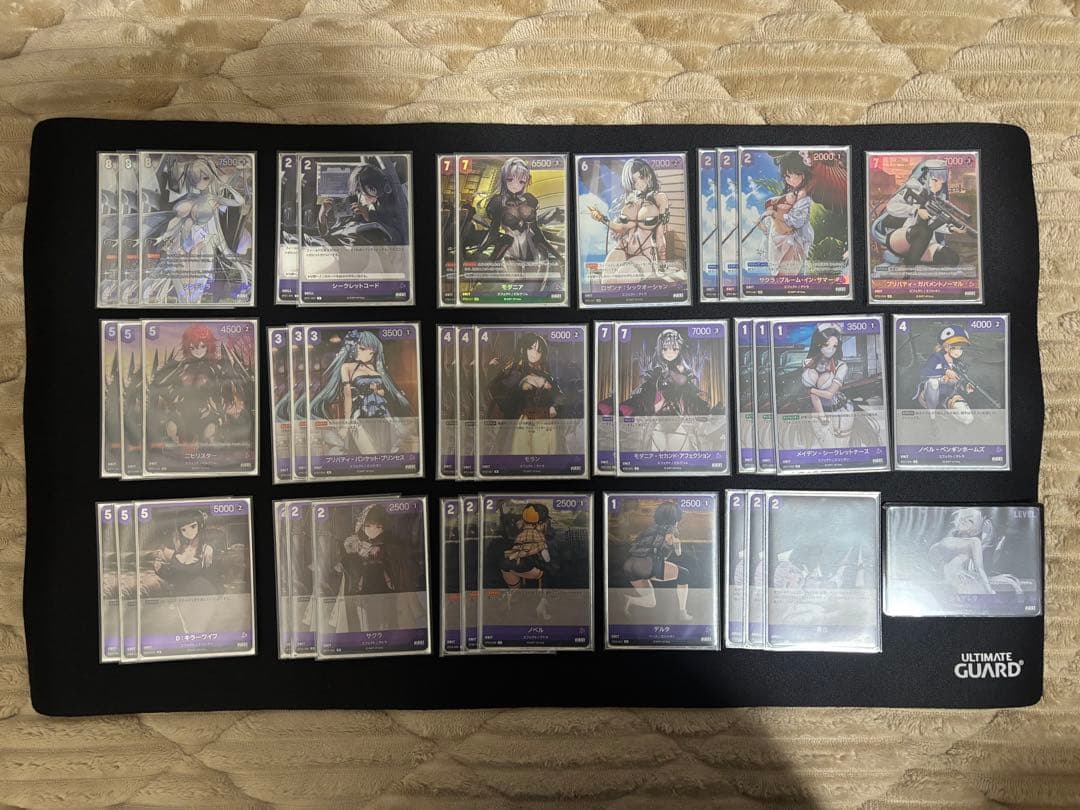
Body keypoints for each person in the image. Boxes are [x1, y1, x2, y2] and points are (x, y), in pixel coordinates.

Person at [142, 156, 251, 304]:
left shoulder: (212, 199)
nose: (199, 182)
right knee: (182, 283)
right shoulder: (188, 199)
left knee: (197, 284)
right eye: (194, 178)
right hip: (185, 242)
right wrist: (164, 237)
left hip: (202, 242)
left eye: (204, 178)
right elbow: (176, 222)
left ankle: (193, 303)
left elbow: (239, 202)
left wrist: (228, 187)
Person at [308, 330, 412, 456]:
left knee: (384, 453)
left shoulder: (374, 367)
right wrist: (346, 425)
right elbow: (348, 396)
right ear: (354, 348)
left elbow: (382, 392)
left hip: (382, 414)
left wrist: (376, 390)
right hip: (359, 415)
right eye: (363, 348)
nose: (369, 353)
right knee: (370, 453)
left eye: (372, 351)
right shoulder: (347, 367)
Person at [619, 329, 712, 454]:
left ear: (680, 349)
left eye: (674, 349)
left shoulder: (683, 370)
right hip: (656, 413)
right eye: (665, 349)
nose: (670, 352)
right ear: (660, 349)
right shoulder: (655, 370)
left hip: (681, 414)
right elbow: (647, 392)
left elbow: (689, 390)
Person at [588, 157, 673, 282]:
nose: (639, 183)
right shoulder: (630, 200)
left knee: (616, 282)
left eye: (642, 177)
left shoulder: (660, 198)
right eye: (633, 181)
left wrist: (663, 265)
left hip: (644, 255)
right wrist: (601, 218)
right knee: (605, 281)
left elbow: (660, 235)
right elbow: (622, 228)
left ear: (649, 176)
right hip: (622, 247)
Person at [872, 158, 965, 267]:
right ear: (925, 177)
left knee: (952, 258)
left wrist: (951, 228)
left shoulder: (937, 199)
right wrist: (915, 210)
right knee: (923, 231)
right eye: (934, 180)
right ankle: (909, 265)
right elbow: (891, 206)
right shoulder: (912, 189)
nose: (938, 186)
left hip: (923, 243)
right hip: (902, 238)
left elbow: (934, 223)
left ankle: (912, 259)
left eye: (941, 182)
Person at [485, 333, 564, 458]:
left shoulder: (547, 376)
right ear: (524, 349)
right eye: (531, 348)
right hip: (521, 423)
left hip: (544, 424)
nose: (534, 353)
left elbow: (559, 396)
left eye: (538, 350)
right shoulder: (515, 372)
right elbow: (497, 389)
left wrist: (554, 406)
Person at [622, 501, 693, 621]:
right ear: (675, 518)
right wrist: (677, 545)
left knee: (651, 602)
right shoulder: (672, 529)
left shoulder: (648, 529)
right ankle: (682, 612)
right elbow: (678, 552)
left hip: (630, 565)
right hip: (646, 565)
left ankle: (629, 600)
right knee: (684, 574)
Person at [498, 503, 553, 620]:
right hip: (528, 567)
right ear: (540, 523)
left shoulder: (521, 534)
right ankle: (542, 603)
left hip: (509, 564)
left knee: (514, 583)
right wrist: (548, 562)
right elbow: (546, 556)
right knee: (546, 572)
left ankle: (513, 596)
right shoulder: (538, 535)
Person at [914, 325, 976, 424]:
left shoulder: (958, 364)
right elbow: (924, 372)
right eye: (954, 347)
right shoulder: (936, 358)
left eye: (961, 348)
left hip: (948, 395)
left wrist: (965, 386)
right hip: (931, 394)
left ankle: (944, 409)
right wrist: (945, 372)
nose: (958, 351)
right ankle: (932, 415)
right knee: (933, 382)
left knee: (968, 418)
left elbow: (959, 379)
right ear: (946, 347)